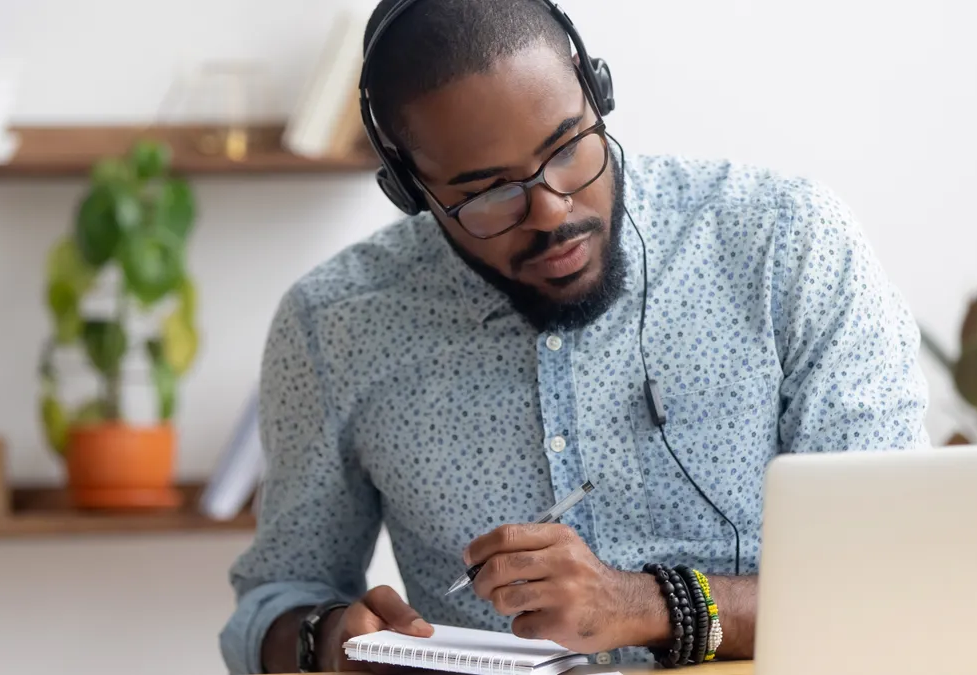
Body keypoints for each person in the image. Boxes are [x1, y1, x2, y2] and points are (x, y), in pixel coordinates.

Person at [218, 0, 930, 672]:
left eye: (568, 147)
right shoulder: (334, 323)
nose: (553, 211)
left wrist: (644, 604)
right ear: (411, 191)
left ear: (598, 92)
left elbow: (895, 574)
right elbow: (272, 603)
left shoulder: (786, 243)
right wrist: (326, 643)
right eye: (488, 191)